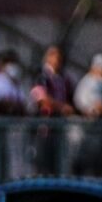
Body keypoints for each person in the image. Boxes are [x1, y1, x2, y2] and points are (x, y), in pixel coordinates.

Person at [30, 44, 75, 176]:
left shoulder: (63, 79)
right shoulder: (41, 76)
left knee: (56, 167)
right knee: (42, 166)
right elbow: (41, 98)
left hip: (59, 130)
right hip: (44, 129)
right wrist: (62, 107)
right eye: (54, 57)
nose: (57, 61)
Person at [72, 53, 102, 177]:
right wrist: (95, 109)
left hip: (99, 135)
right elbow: (80, 103)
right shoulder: (86, 82)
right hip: (85, 134)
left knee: (97, 168)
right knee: (82, 166)